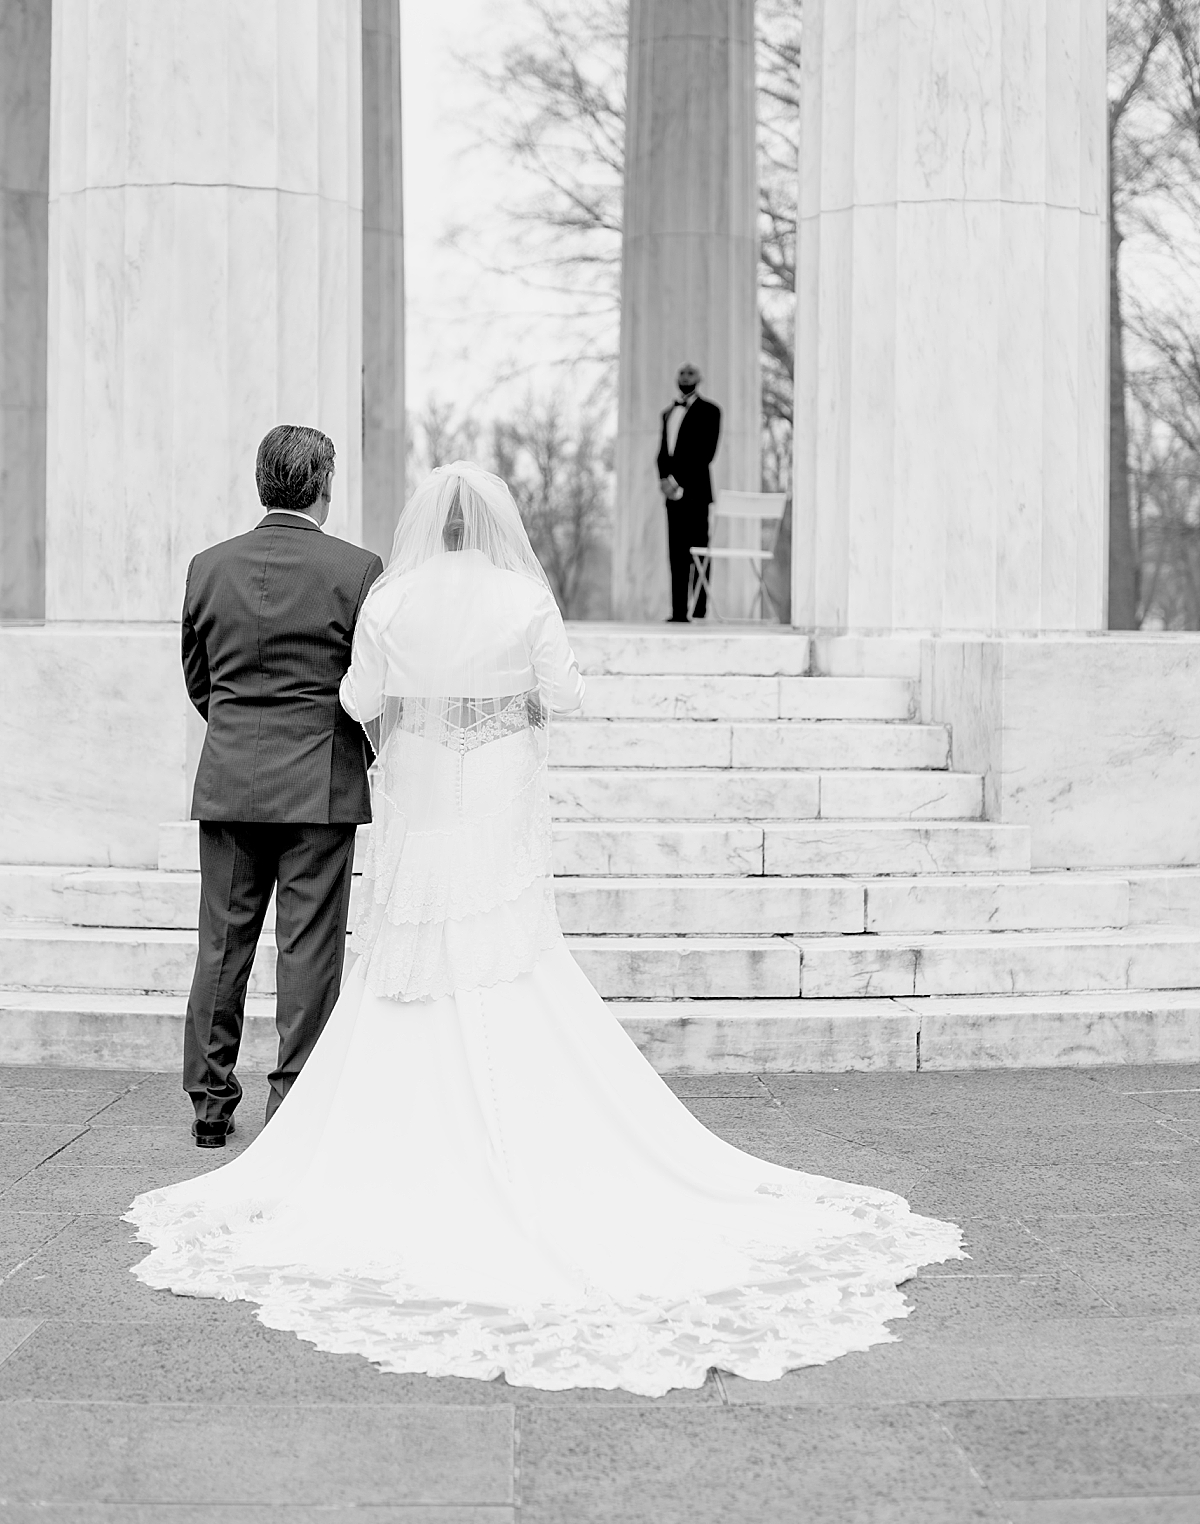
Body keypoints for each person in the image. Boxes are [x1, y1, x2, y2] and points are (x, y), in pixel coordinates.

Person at [125, 462, 960, 1397]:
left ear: (424, 529)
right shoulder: (522, 596)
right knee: (490, 957)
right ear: (494, 526)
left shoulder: (389, 598)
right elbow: (564, 696)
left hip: (403, 800)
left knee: (335, 948)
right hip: (495, 803)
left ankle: (258, 1106)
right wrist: (499, 705)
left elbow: (359, 701)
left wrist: (423, 708)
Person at [180, 425, 383, 1147]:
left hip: (231, 781)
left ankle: (209, 1106)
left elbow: (199, 681)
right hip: (320, 788)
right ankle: (293, 1107)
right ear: (325, 484)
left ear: (262, 482)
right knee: (309, 954)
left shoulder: (208, 567)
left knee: (221, 948)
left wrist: (240, 734)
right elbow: (368, 688)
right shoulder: (357, 570)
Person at [657, 363, 721, 622]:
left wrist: (677, 480)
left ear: (700, 378)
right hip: (671, 495)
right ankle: (679, 612)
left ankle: (700, 609)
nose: (685, 377)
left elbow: (705, 453)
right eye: (681, 373)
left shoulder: (711, 411)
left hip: (696, 492)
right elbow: (663, 452)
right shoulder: (667, 413)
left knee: (699, 551)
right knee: (676, 553)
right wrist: (664, 480)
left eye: (690, 373)